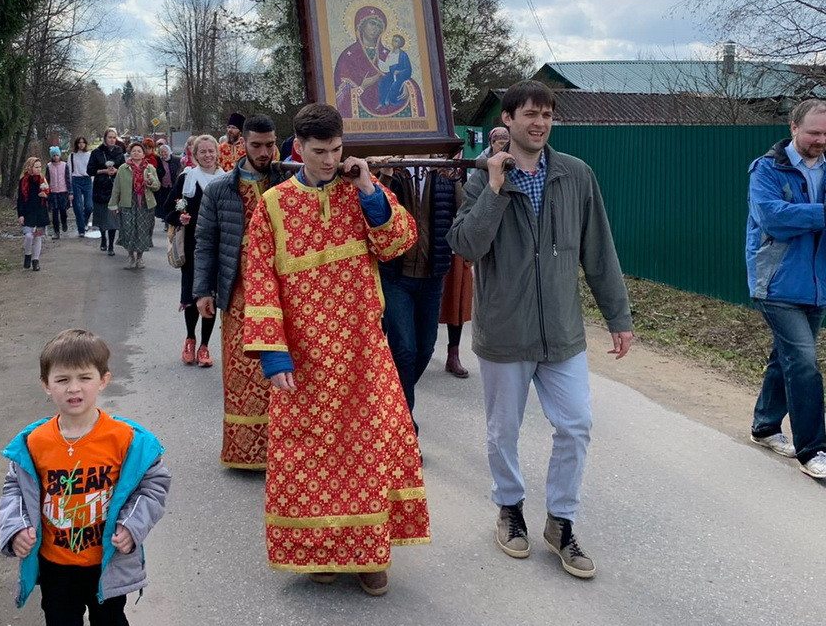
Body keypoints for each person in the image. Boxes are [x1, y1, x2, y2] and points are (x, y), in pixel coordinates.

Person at [448, 80, 633, 580]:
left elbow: (599, 250)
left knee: (576, 424)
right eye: (530, 114)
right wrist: (494, 188)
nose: (540, 123)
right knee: (503, 431)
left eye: (547, 115)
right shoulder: (484, 177)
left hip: (562, 331)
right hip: (505, 330)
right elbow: (465, 245)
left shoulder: (575, 174)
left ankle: (561, 521)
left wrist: (618, 317)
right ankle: (509, 508)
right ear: (507, 119)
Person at [242, 103, 429, 596]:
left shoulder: (359, 191)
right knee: (311, 458)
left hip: (362, 351)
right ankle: (320, 551)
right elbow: (260, 279)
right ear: (298, 148)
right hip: (304, 357)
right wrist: (273, 352)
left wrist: (369, 191)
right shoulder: (273, 206)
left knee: (367, 452)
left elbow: (398, 243)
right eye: (319, 151)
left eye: (337, 150)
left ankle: (370, 556)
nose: (329, 160)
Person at [0, 329, 170, 626]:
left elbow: (153, 486)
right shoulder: (34, 443)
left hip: (106, 566)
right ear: (46, 385)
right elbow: (14, 489)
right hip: (56, 567)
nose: (73, 388)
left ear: (103, 380)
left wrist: (132, 527)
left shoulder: (126, 440)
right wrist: (16, 528)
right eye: (62, 380)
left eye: (84, 378)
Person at [193, 114, 285, 469]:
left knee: (283, 368)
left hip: (283, 289)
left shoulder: (287, 181)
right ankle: (245, 450)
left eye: (269, 144)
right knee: (243, 370)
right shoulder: (220, 189)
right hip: (239, 291)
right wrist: (203, 291)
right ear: (242, 145)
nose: (264, 152)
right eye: (256, 145)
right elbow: (206, 243)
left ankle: (285, 448)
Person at [747, 98, 826, 478]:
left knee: (787, 357)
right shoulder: (766, 169)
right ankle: (813, 449)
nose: (821, 140)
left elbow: (795, 218)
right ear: (793, 128)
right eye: (814, 132)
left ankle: (765, 426)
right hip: (776, 284)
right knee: (804, 363)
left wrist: (806, 217)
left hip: (818, 285)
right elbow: (774, 218)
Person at [378, 159, 459, 430]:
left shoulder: (445, 174)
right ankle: (404, 425)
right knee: (404, 350)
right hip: (395, 276)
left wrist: (455, 177)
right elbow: (374, 215)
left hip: (432, 275)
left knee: (425, 348)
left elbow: (463, 213)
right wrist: (385, 176)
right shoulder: (391, 171)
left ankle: (391, 401)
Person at [166, 135, 224, 367]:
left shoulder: (226, 179)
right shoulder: (187, 179)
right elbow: (170, 207)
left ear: (217, 153)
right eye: (203, 152)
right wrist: (179, 217)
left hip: (218, 246)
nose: (208, 155)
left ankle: (204, 346)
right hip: (193, 246)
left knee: (211, 294)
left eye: (211, 151)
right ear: (195, 155)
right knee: (193, 295)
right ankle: (190, 339)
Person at [334, 5, 424, 119]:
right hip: (361, 105)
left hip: (389, 98)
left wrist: (405, 84)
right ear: (361, 26)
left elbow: (401, 71)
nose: (375, 29)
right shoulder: (349, 55)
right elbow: (341, 90)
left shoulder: (388, 54)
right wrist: (362, 87)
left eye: (379, 26)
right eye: (372, 23)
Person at [109, 140, 160, 269]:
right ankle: (131, 257)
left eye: (139, 151)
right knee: (128, 230)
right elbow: (116, 188)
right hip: (128, 203)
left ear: (143, 154)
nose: (136, 153)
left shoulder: (150, 168)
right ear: (130, 153)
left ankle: (140, 258)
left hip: (145, 204)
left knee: (142, 231)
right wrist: (113, 205)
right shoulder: (123, 168)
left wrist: (151, 182)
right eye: (133, 151)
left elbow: (157, 186)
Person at [88, 128, 124, 256]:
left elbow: (124, 168)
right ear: (105, 138)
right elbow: (90, 170)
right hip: (100, 187)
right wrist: (103, 171)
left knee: (113, 218)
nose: (112, 140)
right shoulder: (96, 152)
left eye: (114, 137)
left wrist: (116, 171)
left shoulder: (119, 152)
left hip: (114, 187)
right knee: (103, 217)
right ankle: (103, 238)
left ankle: (111, 246)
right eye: (110, 137)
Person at [17, 157, 49, 272]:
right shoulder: (23, 181)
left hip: (40, 212)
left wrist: (45, 196)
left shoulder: (43, 180)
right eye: (36, 167)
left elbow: (49, 195)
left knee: (38, 236)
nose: (39, 169)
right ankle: (27, 254)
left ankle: (36, 261)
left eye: (40, 167)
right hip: (28, 212)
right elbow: (20, 199)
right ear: (30, 167)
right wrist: (21, 215)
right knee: (29, 236)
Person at [377, 34, 413, 109]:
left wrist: (399, 72)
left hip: (399, 77)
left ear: (400, 44)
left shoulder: (403, 55)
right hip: (391, 74)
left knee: (394, 85)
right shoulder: (390, 53)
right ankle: (382, 102)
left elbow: (408, 69)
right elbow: (387, 65)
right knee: (383, 82)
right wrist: (379, 61)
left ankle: (389, 101)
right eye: (393, 40)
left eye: (396, 41)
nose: (393, 42)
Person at [45, 146, 72, 240]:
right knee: (54, 213)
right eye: (54, 155)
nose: (55, 157)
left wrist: (70, 192)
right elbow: (47, 179)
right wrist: (46, 191)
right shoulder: (49, 166)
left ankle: (64, 222)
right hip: (53, 192)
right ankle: (56, 232)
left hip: (63, 191)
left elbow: (68, 179)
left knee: (63, 211)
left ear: (60, 155)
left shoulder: (64, 165)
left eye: (57, 155)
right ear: (51, 156)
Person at [69, 137, 93, 237]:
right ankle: (81, 229)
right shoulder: (72, 155)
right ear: (76, 144)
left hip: (87, 180)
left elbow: (92, 168)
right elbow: (69, 171)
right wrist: (70, 189)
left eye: (83, 142)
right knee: (78, 206)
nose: (81, 144)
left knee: (89, 206)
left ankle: (85, 220)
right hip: (76, 180)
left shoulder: (89, 155)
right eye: (79, 143)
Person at [154, 143, 180, 226]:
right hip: (163, 187)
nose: (163, 154)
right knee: (165, 205)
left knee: (175, 204)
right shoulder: (158, 161)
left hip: (174, 186)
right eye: (161, 152)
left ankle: (174, 221)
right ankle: (167, 222)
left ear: (169, 151)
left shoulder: (176, 159)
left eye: (165, 151)